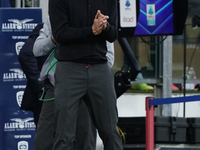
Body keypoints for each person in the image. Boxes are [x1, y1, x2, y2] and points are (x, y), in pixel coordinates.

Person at [49, 0, 123, 149]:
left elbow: (114, 34)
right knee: (63, 135)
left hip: (99, 68)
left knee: (110, 131)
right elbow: (60, 33)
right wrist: (91, 31)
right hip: (69, 68)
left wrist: (105, 26)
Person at [33, 16, 116, 150]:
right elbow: (36, 49)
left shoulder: (97, 17)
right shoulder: (56, 16)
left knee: (86, 142)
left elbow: (109, 59)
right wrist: (56, 38)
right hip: (55, 87)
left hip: (87, 89)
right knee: (43, 142)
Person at [18, 23, 48, 127]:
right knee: (46, 139)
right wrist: (40, 83)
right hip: (47, 96)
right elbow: (25, 55)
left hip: (72, 92)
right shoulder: (45, 29)